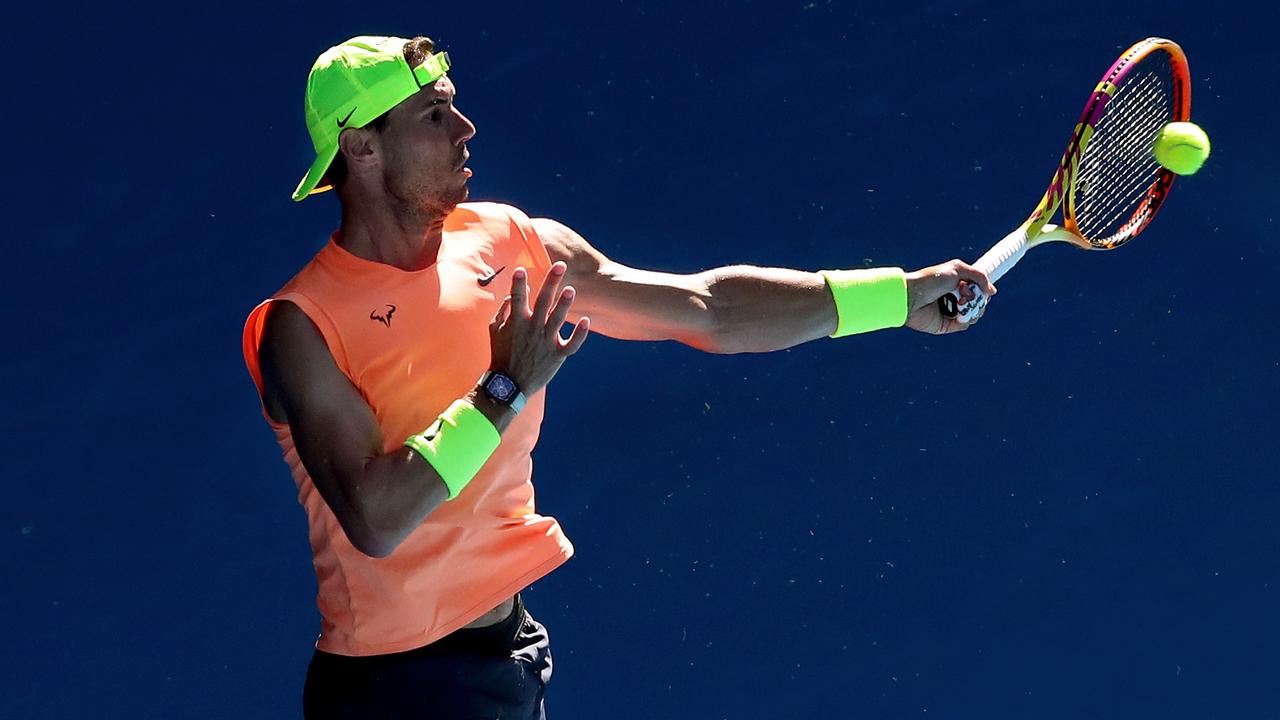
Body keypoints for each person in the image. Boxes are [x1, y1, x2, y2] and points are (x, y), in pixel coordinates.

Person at [242, 34, 995, 720]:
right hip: (395, 693)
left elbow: (707, 308)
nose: (466, 129)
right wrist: (502, 389)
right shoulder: (302, 326)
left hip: (507, 656)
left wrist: (897, 295)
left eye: (455, 107)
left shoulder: (514, 241)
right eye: (434, 118)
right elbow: (375, 519)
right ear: (362, 149)